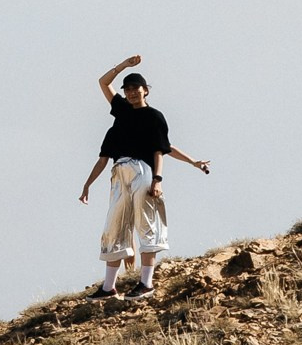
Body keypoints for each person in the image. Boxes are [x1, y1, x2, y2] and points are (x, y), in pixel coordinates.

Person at [77, 56, 210, 296]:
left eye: (135, 89)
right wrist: (124, 66)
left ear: (145, 91)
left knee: (148, 224)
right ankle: (109, 287)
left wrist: (159, 179)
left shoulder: (154, 117)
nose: (131, 93)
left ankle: (146, 283)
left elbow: (161, 149)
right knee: (114, 227)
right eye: (127, 90)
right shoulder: (121, 115)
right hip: (120, 173)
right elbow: (103, 82)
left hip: (143, 171)